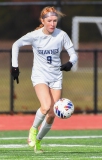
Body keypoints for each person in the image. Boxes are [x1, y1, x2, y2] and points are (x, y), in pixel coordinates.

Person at [11, 6, 78, 153]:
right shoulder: (35, 35)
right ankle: (33, 130)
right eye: (49, 21)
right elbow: (16, 44)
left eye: (55, 20)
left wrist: (70, 63)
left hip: (56, 77)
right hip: (40, 75)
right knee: (47, 106)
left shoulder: (61, 35)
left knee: (52, 114)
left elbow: (73, 54)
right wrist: (15, 67)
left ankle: (38, 142)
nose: (52, 24)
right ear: (42, 20)